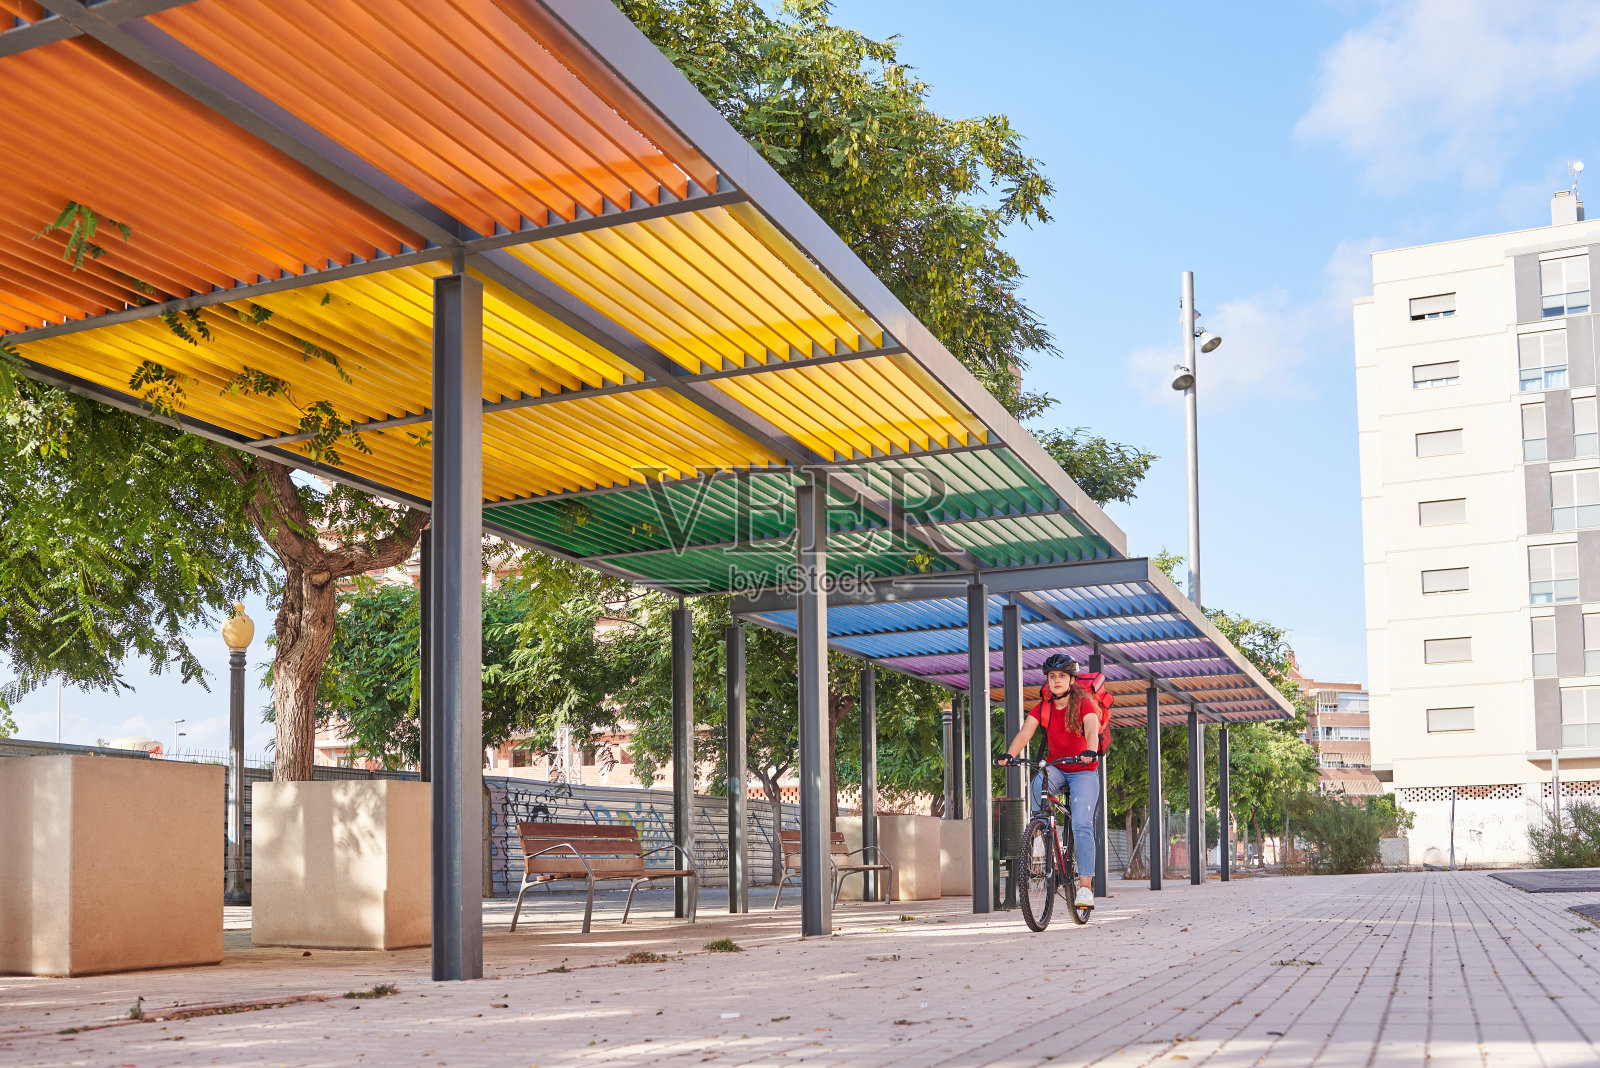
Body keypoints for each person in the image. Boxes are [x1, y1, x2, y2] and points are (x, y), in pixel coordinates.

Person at [994, 652, 1101, 909]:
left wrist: (1090, 749)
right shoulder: (1043, 708)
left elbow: (1091, 727)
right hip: (1057, 767)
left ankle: (1085, 888)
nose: (1056, 681)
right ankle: (1040, 835)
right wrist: (1010, 754)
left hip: (1084, 769)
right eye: (1052, 677)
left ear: (1072, 680)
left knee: (1083, 824)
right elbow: (1025, 732)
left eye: (1062, 676)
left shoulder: (1084, 704)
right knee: (1036, 785)